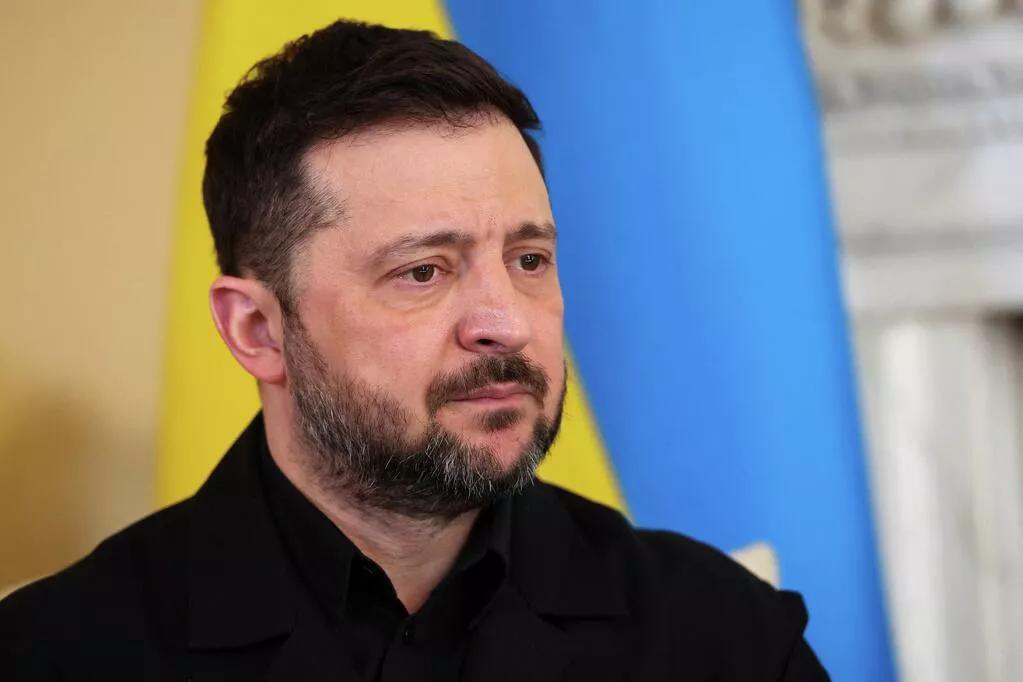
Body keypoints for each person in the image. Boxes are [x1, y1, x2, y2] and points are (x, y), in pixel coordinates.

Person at [0, 20, 829, 681]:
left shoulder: (721, 634)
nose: (505, 322)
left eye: (528, 259)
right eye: (423, 271)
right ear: (256, 330)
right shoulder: (57, 655)